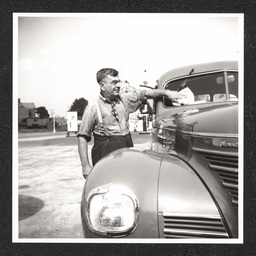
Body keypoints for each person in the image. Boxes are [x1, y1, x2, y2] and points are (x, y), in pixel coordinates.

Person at [77, 68, 185, 179]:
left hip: (125, 151)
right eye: (114, 82)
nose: (118, 85)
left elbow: (145, 93)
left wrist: (167, 93)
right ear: (102, 86)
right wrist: (85, 166)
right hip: (105, 158)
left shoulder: (124, 99)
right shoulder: (93, 107)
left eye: (119, 81)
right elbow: (82, 137)